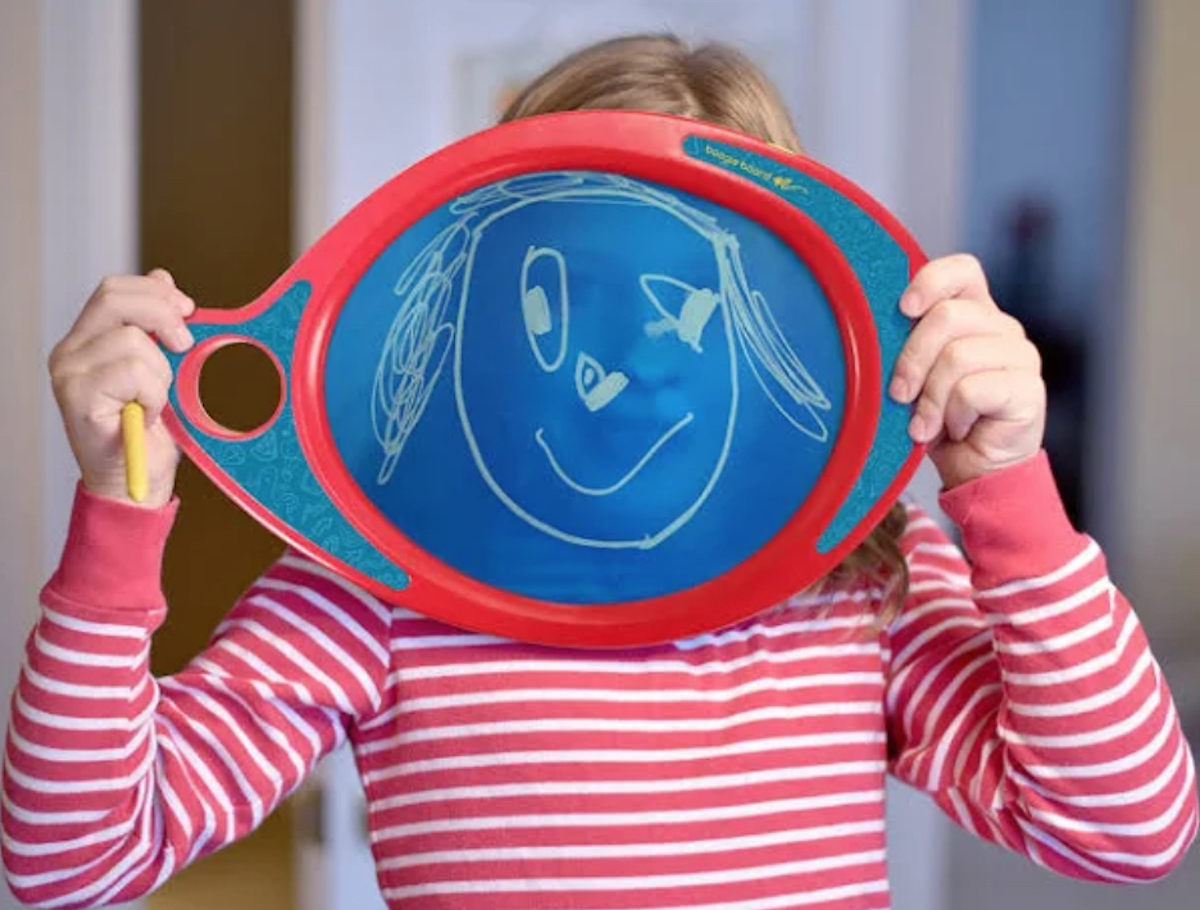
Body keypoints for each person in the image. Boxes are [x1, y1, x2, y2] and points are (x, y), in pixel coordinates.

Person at [3, 34, 1196, 910]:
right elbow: (71, 858)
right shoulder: (375, 583)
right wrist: (121, 506)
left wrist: (1008, 491)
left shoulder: (864, 583)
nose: (606, 371)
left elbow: (1128, 827)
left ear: (773, 337)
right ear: (465, 305)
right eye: (544, 297)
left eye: (678, 310)